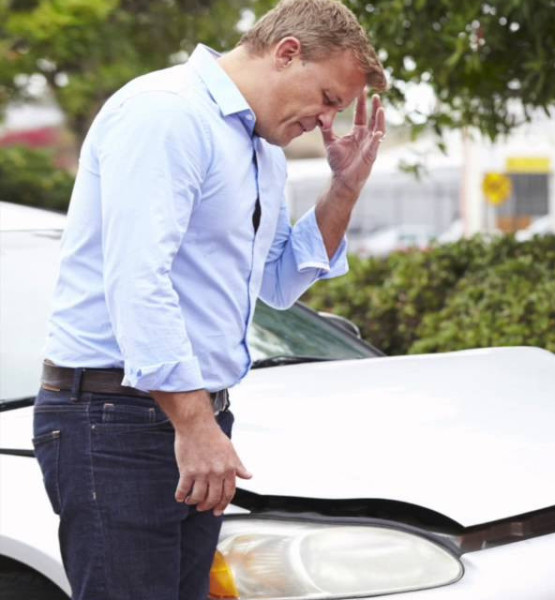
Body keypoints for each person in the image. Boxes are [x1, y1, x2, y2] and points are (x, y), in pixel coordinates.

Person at [31, 1, 387, 597]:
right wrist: (195, 425)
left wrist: (343, 190)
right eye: (326, 97)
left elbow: (276, 282)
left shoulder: (262, 147)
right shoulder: (167, 114)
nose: (327, 120)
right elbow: (139, 282)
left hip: (185, 415)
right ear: (288, 53)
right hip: (116, 418)